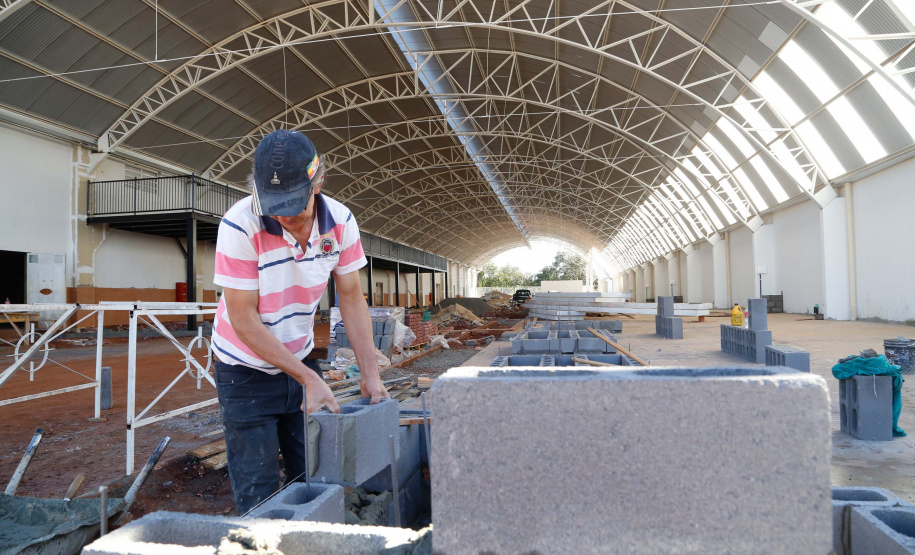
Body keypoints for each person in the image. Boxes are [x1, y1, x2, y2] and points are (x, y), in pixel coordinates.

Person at [212, 129, 390, 514]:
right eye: (275, 207)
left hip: (300, 355)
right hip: (244, 369)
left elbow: (351, 297)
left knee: (313, 476)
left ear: (317, 184)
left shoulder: (340, 222)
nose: (285, 217)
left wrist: (370, 372)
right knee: (259, 496)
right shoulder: (239, 225)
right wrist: (309, 379)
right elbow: (243, 318)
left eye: (295, 206)